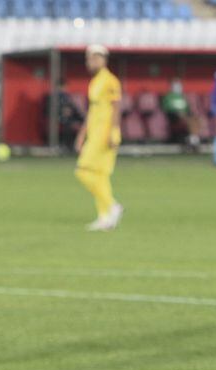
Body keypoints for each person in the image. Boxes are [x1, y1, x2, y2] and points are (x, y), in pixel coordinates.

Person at [74, 44, 124, 231]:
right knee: (99, 175)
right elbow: (92, 111)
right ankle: (105, 217)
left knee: (83, 170)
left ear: (104, 59)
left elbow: (117, 107)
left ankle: (112, 206)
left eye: (95, 58)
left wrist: (113, 131)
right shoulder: (95, 82)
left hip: (105, 133)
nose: (91, 62)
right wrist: (82, 135)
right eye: (89, 59)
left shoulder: (110, 81)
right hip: (95, 133)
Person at [161, 78, 199, 151]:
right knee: (189, 120)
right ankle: (194, 141)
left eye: (179, 85)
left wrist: (189, 114)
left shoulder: (183, 96)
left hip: (185, 116)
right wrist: (178, 113)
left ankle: (193, 140)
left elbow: (188, 109)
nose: (178, 87)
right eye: (176, 85)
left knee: (195, 120)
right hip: (174, 117)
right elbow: (166, 108)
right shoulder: (168, 96)